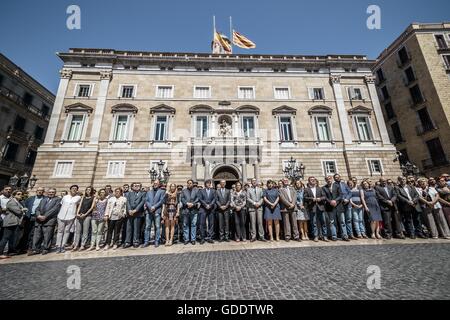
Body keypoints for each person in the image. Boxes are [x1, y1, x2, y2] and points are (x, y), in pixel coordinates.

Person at [30, 188, 61, 255]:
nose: (51, 193)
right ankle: (35, 249)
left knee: (47, 236)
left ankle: (46, 248)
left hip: (49, 220)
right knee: (37, 235)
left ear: (55, 193)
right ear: (47, 193)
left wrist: (45, 216)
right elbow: (37, 208)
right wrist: (38, 215)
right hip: (39, 220)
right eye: (50, 192)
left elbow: (55, 209)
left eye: (53, 192)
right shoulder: (43, 199)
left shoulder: (58, 199)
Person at [0, 190, 27, 259]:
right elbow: (18, 211)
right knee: (5, 238)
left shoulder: (18, 202)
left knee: (11, 238)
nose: (20, 195)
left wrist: (23, 210)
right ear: (14, 195)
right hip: (10, 222)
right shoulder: (11, 202)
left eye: (21, 194)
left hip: (15, 222)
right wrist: (23, 210)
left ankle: (11, 251)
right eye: (18, 194)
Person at [56, 185, 81, 253]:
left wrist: (76, 214)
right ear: (70, 189)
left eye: (75, 189)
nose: (74, 190)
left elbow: (79, 206)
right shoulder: (65, 197)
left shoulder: (78, 197)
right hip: (61, 215)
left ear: (77, 190)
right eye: (73, 188)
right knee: (60, 231)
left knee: (67, 231)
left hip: (71, 216)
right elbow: (61, 204)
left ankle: (63, 245)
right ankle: (58, 245)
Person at [21, 187, 45, 254]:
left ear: (43, 192)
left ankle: (31, 247)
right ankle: (24, 247)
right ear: (36, 191)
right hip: (29, 217)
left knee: (35, 233)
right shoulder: (31, 198)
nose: (40, 192)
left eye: (41, 190)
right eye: (38, 190)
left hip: (38, 217)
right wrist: (24, 210)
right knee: (26, 232)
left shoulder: (45, 199)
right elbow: (23, 203)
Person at [304, 177, 327, 242]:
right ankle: (315, 236)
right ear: (309, 181)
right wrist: (312, 199)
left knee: (323, 222)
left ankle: (324, 236)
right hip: (312, 207)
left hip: (320, 207)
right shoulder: (307, 189)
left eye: (314, 180)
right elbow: (305, 198)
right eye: (311, 180)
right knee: (313, 223)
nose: (313, 181)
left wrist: (320, 199)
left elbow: (324, 197)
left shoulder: (320, 188)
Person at [143, 179, 166, 248]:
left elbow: (161, 201)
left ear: (159, 184)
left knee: (157, 227)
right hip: (149, 211)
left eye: (157, 183)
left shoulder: (162, 192)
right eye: (154, 183)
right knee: (147, 227)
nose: (155, 184)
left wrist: (154, 207)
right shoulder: (148, 192)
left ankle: (157, 241)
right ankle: (146, 241)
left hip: (157, 211)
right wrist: (150, 207)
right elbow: (146, 200)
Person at [73, 186, 95, 251]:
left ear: (91, 191)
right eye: (87, 190)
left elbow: (91, 207)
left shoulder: (93, 197)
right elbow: (79, 205)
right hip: (79, 215)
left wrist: (85, 214)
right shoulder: (83, 197)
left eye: (89, 190)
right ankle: (76, 245)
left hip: (87, 216)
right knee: (77, 231)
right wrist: (77, 213)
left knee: (85, 231)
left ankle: (82, 245)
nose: (88, 191)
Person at [124, 183, 146, 248]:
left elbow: (142, 202)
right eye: (135, 186)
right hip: (130, 213)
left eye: (138, 186)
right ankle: (127, 242)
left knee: (136, 228)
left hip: (138, 213)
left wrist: (135, 210)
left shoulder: (143, 194)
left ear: (140, 187)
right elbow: (127, 202)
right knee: (129, 228)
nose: (137, 187)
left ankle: (135, 241)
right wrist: (129, 210)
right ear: (133, 187)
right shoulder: (129, 193)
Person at [181, 179, 200, 245]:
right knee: (185, 225)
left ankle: (193, 239)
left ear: (192, 184)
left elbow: (198, 198)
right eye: (188, 183)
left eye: (190, 183)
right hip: (185, 210)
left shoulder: (196, 190)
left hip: (194, 210)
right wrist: (187, 203)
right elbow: (182, 199)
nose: (189, 184)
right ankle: (186, 239)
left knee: (193, 225)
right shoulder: (184, 191)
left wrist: (193, 204)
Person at [198, 179, 216, 244]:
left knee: (211, 224)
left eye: (209, 183)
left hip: (211, 209)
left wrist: (210, 205)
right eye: (207, 183)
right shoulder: (201, 191)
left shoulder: (213, 191)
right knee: (202, 224)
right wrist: (205, 205)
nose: (209, 184)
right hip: (203, 209)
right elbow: (200, 199)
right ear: (205, 184)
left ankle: (210, 237)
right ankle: (202, 238)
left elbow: (214, 199)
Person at [322, 176, 338, 241]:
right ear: (326, 180)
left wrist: (335, 201)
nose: (329, 180)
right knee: (331, 222)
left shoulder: (336, 186)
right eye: (327, 179)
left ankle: (342, 234)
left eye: (329, 179)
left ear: (332, 179)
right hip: (329, 207)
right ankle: (334, 236)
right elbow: (324, 197)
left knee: (340, 221)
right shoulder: (324, 188)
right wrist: (330, 201)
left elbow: (340, 195)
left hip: (338, 206)